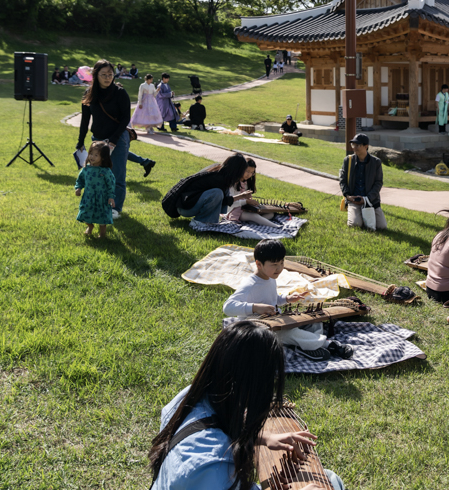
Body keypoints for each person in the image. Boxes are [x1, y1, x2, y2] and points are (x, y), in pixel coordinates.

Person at [148, 320, 346, 490]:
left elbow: (214, 425)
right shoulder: (213, 470)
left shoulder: (190, 397)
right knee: (332, 481)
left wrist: (261, 438)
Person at [223, 240, 353, 362]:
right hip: (258, 330)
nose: (279, 268)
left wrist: (287, 298)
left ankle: (304, 346)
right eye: (274, 264)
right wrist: (255, 307)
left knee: (314, 320)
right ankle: (329, 344)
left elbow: (273, 298)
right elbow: (228, 307)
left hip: (276, 320)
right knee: (290, 333)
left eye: (281, 263)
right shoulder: (250, 284)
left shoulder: (270, 278)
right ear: (259, 264)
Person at [77, 59, 132, 219]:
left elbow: (125, 118)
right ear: (96, 75)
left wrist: (113, 140)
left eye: (110, 74)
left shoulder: (120, 92)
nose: (108, 78)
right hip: (98, 139)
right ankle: (101, 204)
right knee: (99, 174)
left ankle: (115, 208)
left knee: (117, 174)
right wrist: (80, 141)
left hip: (118, 138)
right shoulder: (89, 93)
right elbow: (85, 120)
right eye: (104, 75)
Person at [162, 153, 256, 224]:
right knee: (217, 193)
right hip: (185, 207)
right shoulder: (219, 178)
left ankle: (209, 221)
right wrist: (242, 196)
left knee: (220, 193)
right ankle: (201, 222)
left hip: (186, 205)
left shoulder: (221, 172)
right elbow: (223, 201)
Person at [338, 133, 387, 230]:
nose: (354, 147)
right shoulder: (348, 160)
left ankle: (363, 215)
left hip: (370, 201)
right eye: (353, 145)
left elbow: (378, 183)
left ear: (366, 146)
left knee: (382, 227)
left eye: (358, 145)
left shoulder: (376, 162)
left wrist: (367, 199)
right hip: (354, 200)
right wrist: (348, 195)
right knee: (355, 224)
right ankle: (359, 215)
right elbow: (342, 180)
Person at [75, 141, 115, 239]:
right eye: (91, 154)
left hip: (102, 199)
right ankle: (90, 226)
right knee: (85, 213)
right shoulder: (86, 169)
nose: (92, 157)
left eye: (96, 155)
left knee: (102, 218)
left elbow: (111, 184)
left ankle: (102, 234)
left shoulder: (105, 171)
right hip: (88, 197)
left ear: (103, 157)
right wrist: (78, 188)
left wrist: (111, 197)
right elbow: (80, 180)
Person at [225, 158, 281, 228]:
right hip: (233, 210)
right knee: (254, 216)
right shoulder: (233, 183)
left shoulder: (246, 183)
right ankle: (277, 227)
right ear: (241, 169)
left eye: (252, 172)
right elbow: (230, 203)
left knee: (271, 214)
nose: (249, 174)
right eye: (247, 171)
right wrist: (246, 201)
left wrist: (251, 203)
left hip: (245, 208)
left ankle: (252, 223)